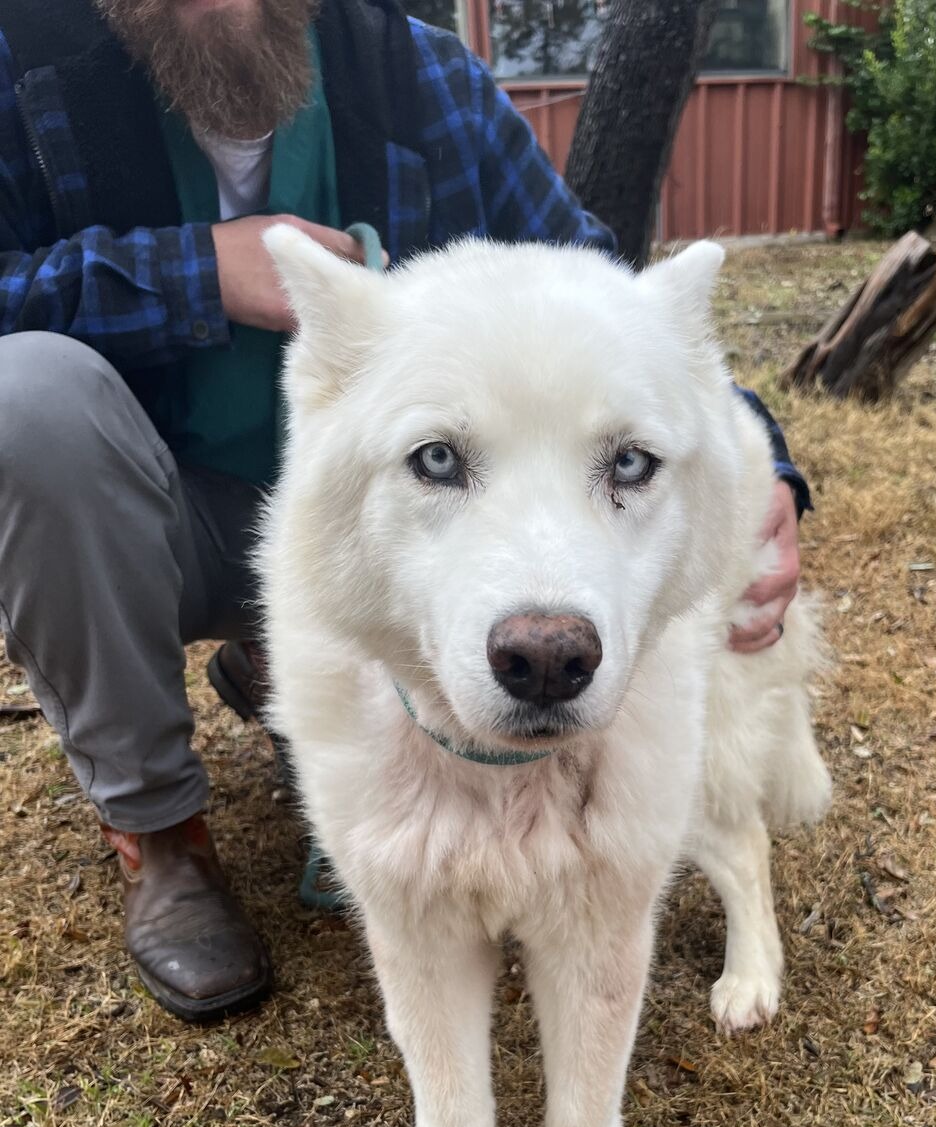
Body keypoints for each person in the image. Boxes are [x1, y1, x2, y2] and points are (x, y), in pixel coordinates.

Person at [0, 0, 811, 1023]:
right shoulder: (22, 67)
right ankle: (160, 835)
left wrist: (759, 460)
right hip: (157, 517)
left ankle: (301, 655)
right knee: (21, 401)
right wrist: (196, 272)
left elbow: (603, 295)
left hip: (396, 535)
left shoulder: (418, 73)